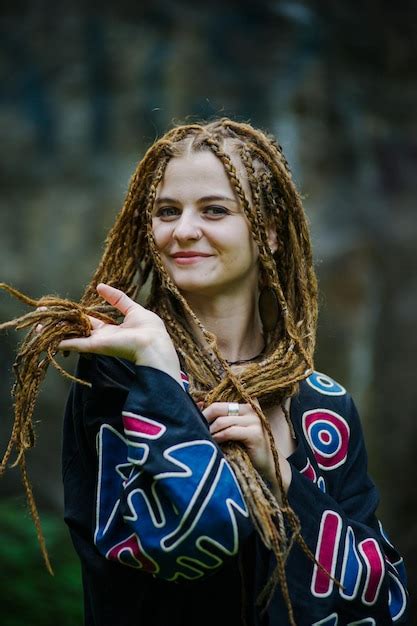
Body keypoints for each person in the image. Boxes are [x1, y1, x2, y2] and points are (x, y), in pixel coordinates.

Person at [1, 119, 409, 625]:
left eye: (215, 209)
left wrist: (281, 475)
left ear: (272, 233)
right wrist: (161, 371)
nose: (183, 230)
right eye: (166, 211)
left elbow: (384, 599)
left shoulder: (325, 406)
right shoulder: (120, 370)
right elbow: (190, 541)